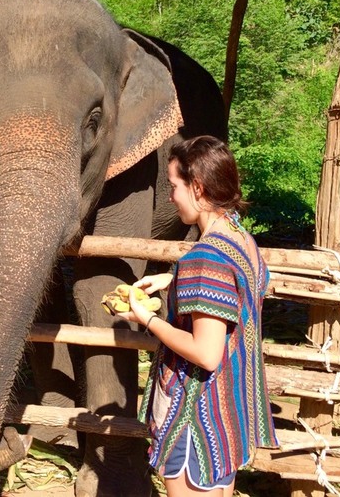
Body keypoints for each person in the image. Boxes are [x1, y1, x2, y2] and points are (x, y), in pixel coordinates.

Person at [116, 135, 277, 496]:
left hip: (194, 417)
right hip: (227, 412)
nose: (170, 196)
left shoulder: (204, 259)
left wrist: (148, 320)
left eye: (174, 186)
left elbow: (206, 352)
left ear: (198, 188)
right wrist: (173, 281)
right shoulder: (240, 238)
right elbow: (234, 288)